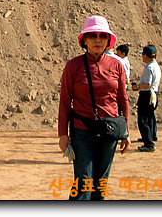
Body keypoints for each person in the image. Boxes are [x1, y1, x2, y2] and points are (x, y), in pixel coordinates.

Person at [58, 16, 130, 200]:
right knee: (84, 183)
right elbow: (65, 102)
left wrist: (126, 132)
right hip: (82, 132)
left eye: (102, 36)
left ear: (108, 40)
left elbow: (122, 99)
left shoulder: (117, 65)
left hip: (109, 132)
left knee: (101, 184)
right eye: (92, 36)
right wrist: (63, 135)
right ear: (84, 40)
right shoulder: (73, 66)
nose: (98, 40)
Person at [132, 45, 161, 152]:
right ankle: (149, 139)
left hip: (147, 95)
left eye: (143, 55)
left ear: (146, 56)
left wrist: (137, 86)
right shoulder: (155, 66)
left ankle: (148, 143)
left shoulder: (149, 67)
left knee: (142, 120)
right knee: (148, 119)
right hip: (153, 94)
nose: (142, 57)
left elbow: (148, 84)